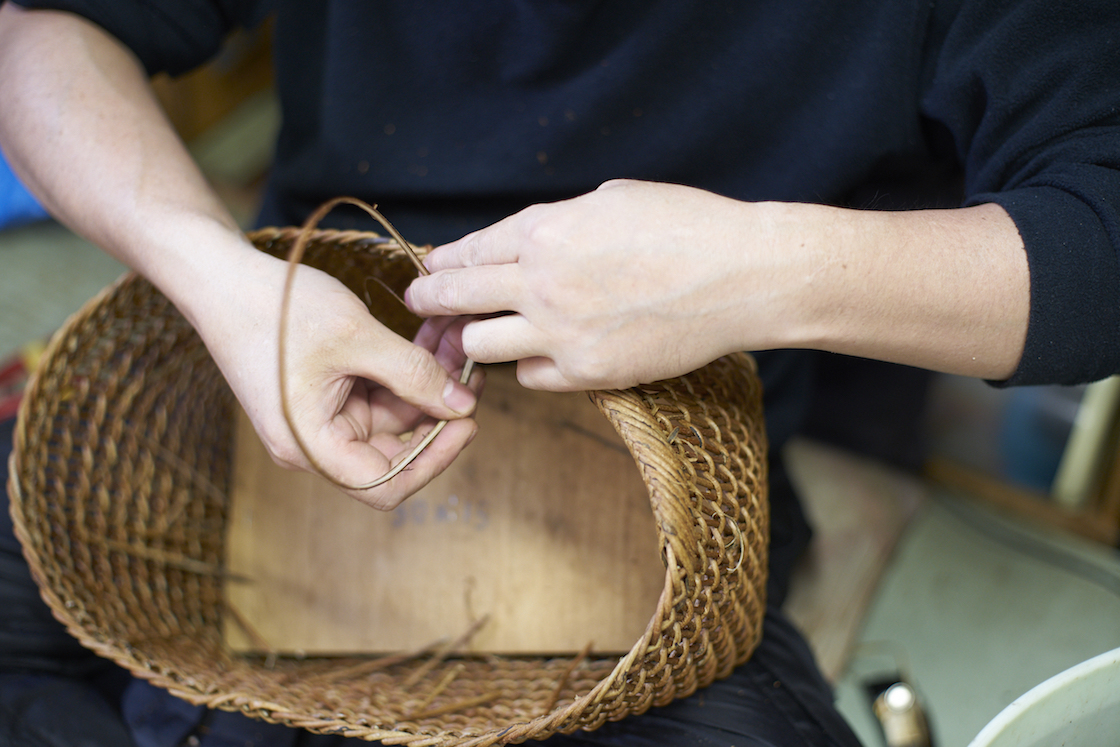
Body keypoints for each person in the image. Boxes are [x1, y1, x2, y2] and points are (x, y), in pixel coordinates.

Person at [0, 1, 1118, 745]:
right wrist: (224, 280)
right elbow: (48, 31)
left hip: (675, 466)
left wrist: (754, 270)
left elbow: (1099, 238)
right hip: (298, 350)